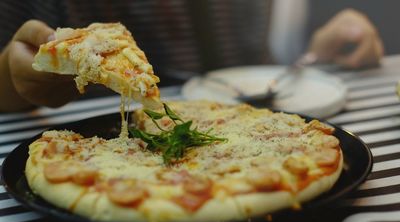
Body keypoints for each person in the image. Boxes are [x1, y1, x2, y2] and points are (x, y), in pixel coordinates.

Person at [0, 1, 384, 112]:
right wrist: (15, 79)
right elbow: (10, 70)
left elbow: (258, 65)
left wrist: (318, 50)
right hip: (95, 142)